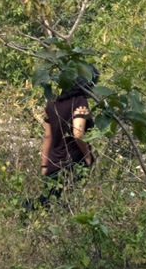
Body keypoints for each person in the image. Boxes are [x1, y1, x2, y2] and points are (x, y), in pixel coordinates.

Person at [31, 68, 98, 210]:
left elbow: (48, 136)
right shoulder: (80, 102)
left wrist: (44, 165)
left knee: (49, 203)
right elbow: (78, 133)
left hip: (54, 162)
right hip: (73, 162)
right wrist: (88, 156)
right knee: (69, 206)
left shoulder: (53, 103)